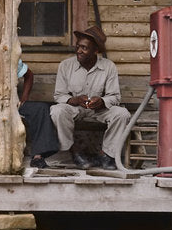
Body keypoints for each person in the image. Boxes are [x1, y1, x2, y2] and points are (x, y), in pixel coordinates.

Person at [0, 27, 60, 169]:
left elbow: (29, 75)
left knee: (41, 108)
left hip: (11, 104)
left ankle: (38, 157)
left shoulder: (9, 61)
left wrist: (23, 98)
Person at [49, 25, 131, 170]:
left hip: (99, 110)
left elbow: (115, 96)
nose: (79, 51)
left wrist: (102, 101)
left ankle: (106, 155)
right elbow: (59, 95)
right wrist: (75, 100)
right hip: (75, 109)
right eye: (78, 46)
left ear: (96, 51)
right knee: (57, 111)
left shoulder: (109, 67)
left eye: (84, 48)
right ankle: (74, 152)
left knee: (122, 114)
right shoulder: (65, 66)